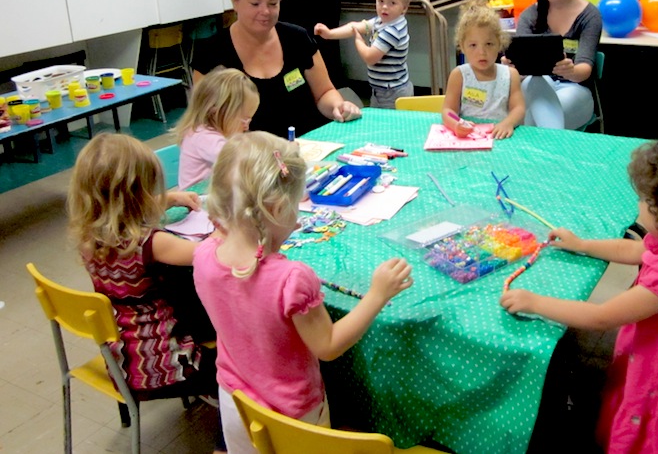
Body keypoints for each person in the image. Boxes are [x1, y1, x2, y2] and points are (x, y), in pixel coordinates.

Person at [501, 136, 658, 453]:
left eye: (647, 201)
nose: (638, 205)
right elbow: (635, 249)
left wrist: (535, 302)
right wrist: (583, 245)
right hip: (653, 362)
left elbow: (601, 316)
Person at [193, 131, 413, 454]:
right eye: (295, 207)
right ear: (278, 209)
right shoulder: (292, 279)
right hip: (294, 417)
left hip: (234, 404)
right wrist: (377, 295)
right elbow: (328, 345)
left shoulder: (202, 255)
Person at [67, 133, 225, 453]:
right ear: (137, 195)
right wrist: (226, 227)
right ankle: (227, 443)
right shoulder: (153, 243)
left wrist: (169, 199)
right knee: (236, 364)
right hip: (168, 363)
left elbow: (118, 205)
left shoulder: (87, 235)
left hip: (121, 357)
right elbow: (212, 253)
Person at [192, 0, 360, 139]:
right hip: (251, 156)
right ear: (234, 1)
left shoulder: (298, 38)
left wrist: (338, 106)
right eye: (255, 4)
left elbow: (324, 92)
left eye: (273, 4)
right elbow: (204, 121)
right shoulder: (211, 53)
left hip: (309, 146)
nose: (265, 11)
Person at [512, 0, 602, 130]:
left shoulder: (589, 15)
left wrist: (570, 71)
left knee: (531, 115)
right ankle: (550, 150)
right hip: (534, 85)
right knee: (534, 82)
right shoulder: (530, 15)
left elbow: (585, 68)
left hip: (575, 90)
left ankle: (532, 150)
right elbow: (522, 74)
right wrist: (512, 67)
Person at [314, 0, 413, 109]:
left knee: (391, 126)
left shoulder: (392, 30)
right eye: (380, 1)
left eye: (392, 3)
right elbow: (356, 26)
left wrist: (358, 40)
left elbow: (369, 57)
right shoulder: (382, 21)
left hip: (392, 92)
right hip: (381, 88)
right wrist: (330, 34)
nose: (384, 7)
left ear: (404, 8)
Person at [441, 0, 525, 139]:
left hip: (500, 137)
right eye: (473, 45)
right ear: (462, 47)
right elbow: (448, 111)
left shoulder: (510, 75)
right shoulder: (459, 75)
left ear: (499, 44)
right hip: (469, 138)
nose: (482, 52)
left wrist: (508, 123)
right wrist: (456, 124)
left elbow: (519, 108)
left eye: (489, 44)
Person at [175, 67, 260, 189]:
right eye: (244, 118)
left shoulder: (216, 131)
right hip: (196, 202)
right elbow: (241, 160)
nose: (247, 125)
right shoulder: (204, 137)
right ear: (217, 111)